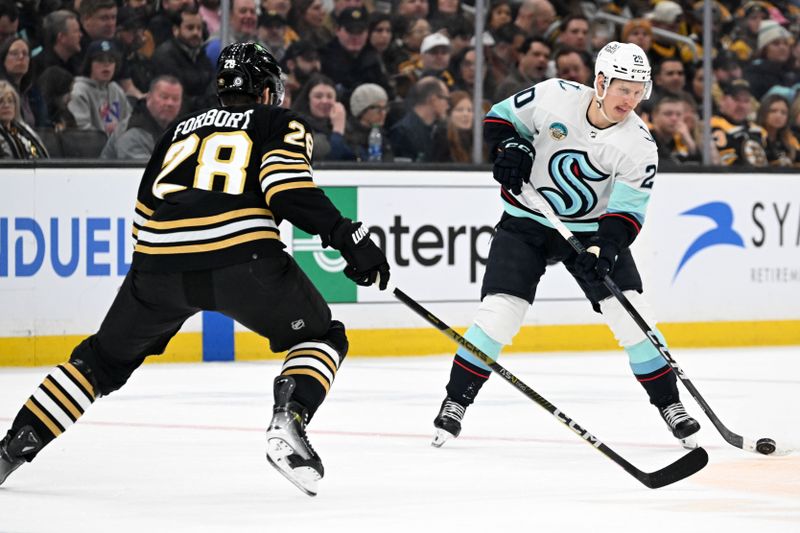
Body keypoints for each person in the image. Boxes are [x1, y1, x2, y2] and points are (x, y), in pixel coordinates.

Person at [0, 42, 390, 497]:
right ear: (266, 90)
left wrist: (149, 285)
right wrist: (346, 236)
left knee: (99, 362)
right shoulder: (278, 122)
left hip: (158, 262)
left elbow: (144, 211)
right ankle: (290, 415)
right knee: (322, 336)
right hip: (242, 254)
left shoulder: (177, 130)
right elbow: (286, 189)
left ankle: (11, 448)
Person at [431, 42, 701, 452]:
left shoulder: (639, 145)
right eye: (622, 88)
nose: (629, 100)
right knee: (501, 312)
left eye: (638, 90)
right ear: (600, 82)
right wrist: (511, 147)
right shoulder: (554, 96)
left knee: (631, 314)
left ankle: (670, 406)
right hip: (527, 222)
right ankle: (455, 402)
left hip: (592, 232)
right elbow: (500, 119)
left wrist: (605, 250)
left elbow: (626, 214)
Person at [101, 75, 183, 159]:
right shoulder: (132, 132)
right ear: (149, 98)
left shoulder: (181, 129)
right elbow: (142, 170)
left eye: (175, 99)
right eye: (164, 97)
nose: (170, 103)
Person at [68, 39, 131, 136]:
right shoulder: (79, 90)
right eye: (100, 60)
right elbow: (81, 131)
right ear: (89, 64)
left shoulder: (116, 89)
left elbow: (129, 122)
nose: (106, 65)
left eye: (111, 60)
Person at [711, 78, 767, 167]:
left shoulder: (759, 132)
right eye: (736, 99)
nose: (741, 105)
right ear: (722, 100)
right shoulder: (710, 125)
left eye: (746, 101)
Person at [0, 80, 48, 158]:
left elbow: (37, 156)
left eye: (10, 101)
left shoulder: (23, 132)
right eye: (0, 101)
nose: (6, 105)